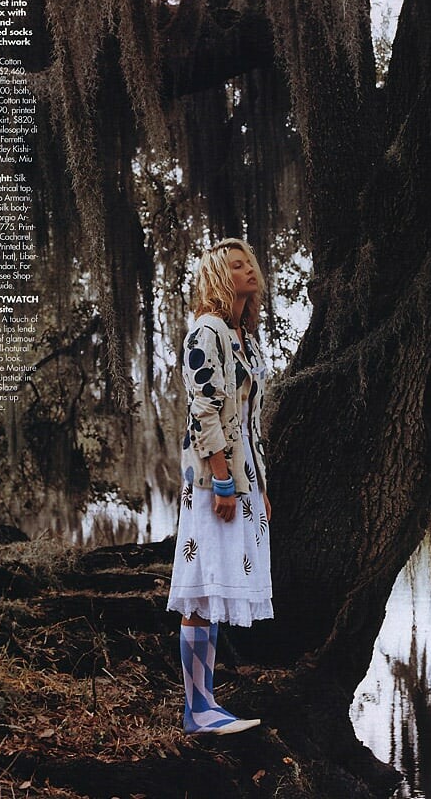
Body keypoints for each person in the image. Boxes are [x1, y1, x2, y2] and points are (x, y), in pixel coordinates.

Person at [167, 238, 273, 735]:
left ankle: (205, 703)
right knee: (201, 587)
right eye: (235, 265)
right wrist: (225, 481)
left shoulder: (243, 337)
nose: (248, 270)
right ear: (217, 276)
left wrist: (258, 485)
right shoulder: (205, 330)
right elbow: (203, 410)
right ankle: (198, 709)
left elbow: (250, 421)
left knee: (210, 593)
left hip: (242, 476)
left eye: (249, 263)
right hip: (214, 478)